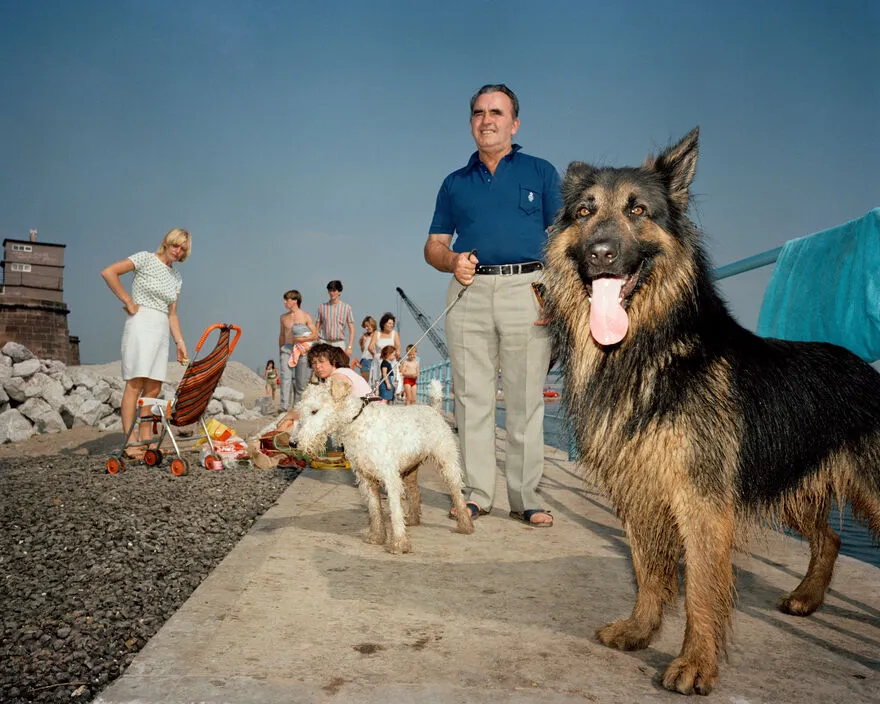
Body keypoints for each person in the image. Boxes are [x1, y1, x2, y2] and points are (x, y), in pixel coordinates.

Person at [424, 83, 562, 527]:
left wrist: (557, 296)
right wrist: (452, 261)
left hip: (529, 291)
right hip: (470, 292)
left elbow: (563, 240)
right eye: (480, 113)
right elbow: (434, 246)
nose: (488, 120)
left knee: (525, 400)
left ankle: (527, 498)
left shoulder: (541, 173)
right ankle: (477, 493)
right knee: (471, 398)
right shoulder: (453, 183)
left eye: (497, 112)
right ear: (471, 124)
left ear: (514, 123)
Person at [101, 228, 191, 460]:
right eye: (175, 245)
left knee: (154, 387)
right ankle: (130, 443)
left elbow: (173, 314)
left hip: (161, 328)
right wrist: (129, 302)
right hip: (141, 324)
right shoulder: (144, 259)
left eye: (182, 248)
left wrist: (180, 342)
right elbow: (109, 272)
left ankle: (146, 440)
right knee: (135, 383)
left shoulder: (177, 277)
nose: (177, 250)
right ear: (167, 243)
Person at [275, 343, 372, 432]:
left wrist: (288, 417)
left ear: (333, 362)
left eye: (321, 361)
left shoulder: (338, 376)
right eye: (314, 363)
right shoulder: (343, 372)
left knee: (296, 424)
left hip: (366, 423)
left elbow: (312, 405)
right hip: (364, 419)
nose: (317, 366)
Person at [278, 290, 318, 410]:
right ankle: (284, 408)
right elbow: (282, 335)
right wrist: (280, 351)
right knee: (285, 378)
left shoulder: (306, 316)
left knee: (301, 382)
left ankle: (297, 408)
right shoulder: (283, 317)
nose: (285, 302)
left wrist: (302, 339)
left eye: (287, 300)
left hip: (302, 351)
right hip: (287, 349)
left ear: (295, 301)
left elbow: (315, 334)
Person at [315, 280, 356, 356]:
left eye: (334, 290)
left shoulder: (347, 308)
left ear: (339, 292)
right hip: (324, 342)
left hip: (339, 343)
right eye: (330, 290)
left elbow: (352, 329)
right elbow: (316, 326)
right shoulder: (322, 307)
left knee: (339, 366)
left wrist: (350, 347)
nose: (332, 293)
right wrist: (316, 342)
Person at [368, 312, 401, 389]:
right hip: (379, 359)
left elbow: (398, 346)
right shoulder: (377, 333)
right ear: (384, 323)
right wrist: (374, 353)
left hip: (391, 360)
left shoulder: (394, 333)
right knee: (378, 382)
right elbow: (370, 347)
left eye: (392, 324)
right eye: (389, 323)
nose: (391, 325)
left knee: (390, 381)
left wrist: (397, 352)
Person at [354, 316, 377, 382]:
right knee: (366, 382)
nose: (366, 328)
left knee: (373, 383)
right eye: (365, 327)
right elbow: (363, 351)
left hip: (373, 360)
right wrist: (363, 343)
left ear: (372, 324)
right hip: (365, 360)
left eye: (368, 326)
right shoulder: (365, 336)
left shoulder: (377, 334)